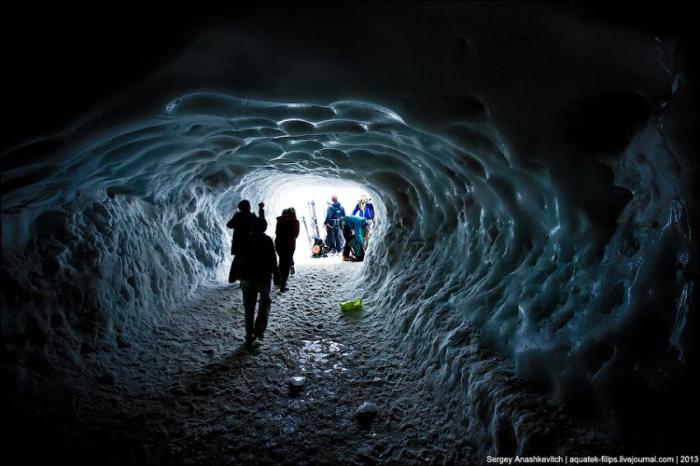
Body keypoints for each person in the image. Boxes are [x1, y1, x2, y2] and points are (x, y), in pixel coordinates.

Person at [238, 217, 280, 348]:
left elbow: (239, 259)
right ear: (263, 228)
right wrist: (277, 275)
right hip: (262, 278)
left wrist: (239, 276)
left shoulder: (245, 239)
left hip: (247, 278)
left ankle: (248, 335)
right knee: (264, 303)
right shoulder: (267, 240)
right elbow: (273, 260)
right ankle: (259, 331)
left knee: (248, 308)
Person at [226, 200, 257, 283]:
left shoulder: (238, 216)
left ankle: (232, 278)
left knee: (237, 260)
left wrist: (235, 218)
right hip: (249, 242)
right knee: (248, 260)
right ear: (248, 207)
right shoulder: (251, 216)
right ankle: (244, 278)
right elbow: (259, 226)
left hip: (238, 241)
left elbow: (229, 225)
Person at [274, 207, 300, 292]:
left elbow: (276, 232)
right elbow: (295, 234)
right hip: (289, 244)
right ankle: (282, 286)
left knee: (281, 261)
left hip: (279, 243)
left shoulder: (279, 220)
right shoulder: (295, 221)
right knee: (286, 265)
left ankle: (277, 280)